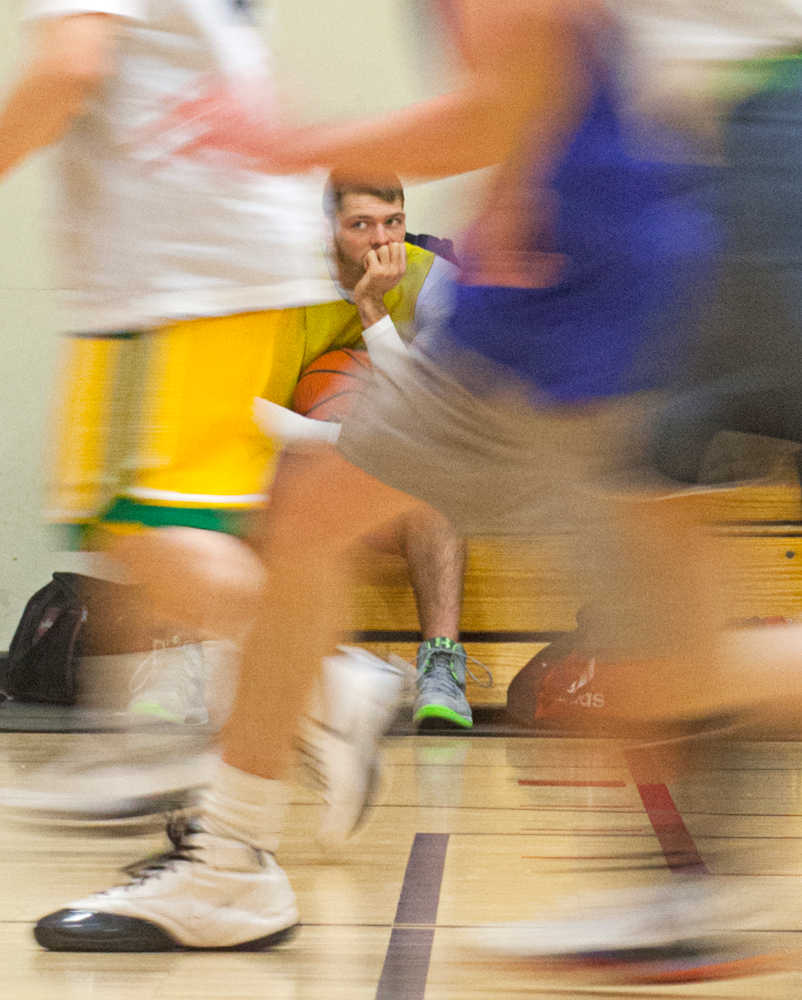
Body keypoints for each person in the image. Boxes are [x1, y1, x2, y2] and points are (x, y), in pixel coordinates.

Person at [28, 0, 802, 982]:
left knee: (645, 657)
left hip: (584, 280)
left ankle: (234, 857)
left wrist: (288, 146)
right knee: (657, 659)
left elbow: (507, 93)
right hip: (609, 260)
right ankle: (683, 886)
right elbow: (534, 95)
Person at [0, 0, 409, 891]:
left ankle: (330, 685)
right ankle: (143, 742)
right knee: (144, 528)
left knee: (136, 529)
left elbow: (68, 67)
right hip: (212, 270)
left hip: (173, 278)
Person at [254, 170, 481, 729]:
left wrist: (373, 311)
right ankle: (249, 661)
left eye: (393, 223)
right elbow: (247, 411)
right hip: (295, 463)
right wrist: (344, 442)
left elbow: (423, 409)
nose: (382, 242)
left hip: (395, 469)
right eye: (361, 225)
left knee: (440, 482)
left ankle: (441, 666)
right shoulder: (281, 286)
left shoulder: (435, 280)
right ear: (328, 229)